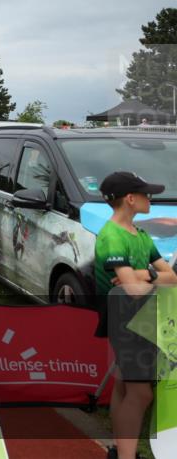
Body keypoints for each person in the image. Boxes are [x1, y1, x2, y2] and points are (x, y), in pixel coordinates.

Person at [94, 171, 177, 459]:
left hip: (141, 318)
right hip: (126, 319)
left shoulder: (139, 235)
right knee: (141, 393)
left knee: (123, 384)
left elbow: (171, 277)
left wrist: (145, 273)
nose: (150, 198)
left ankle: (119, 450)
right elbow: (132, 290)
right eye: (145, 194)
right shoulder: (112, 236)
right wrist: (148, 278)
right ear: (130, 199)